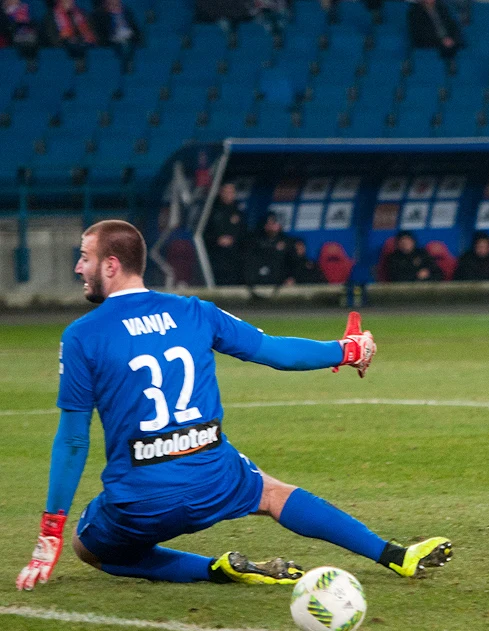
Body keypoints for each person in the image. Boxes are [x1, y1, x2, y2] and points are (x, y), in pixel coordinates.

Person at [16, 220, 452, 591]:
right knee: (271, 492)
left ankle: (213, 570)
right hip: (215, 478)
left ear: (110, 265)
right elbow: (275, 351)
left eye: (84, 257)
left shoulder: (82, 335)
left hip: (142, 500)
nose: (78, 267)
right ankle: (393, 554)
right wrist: (346, 350)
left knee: (86, 546)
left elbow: (74, 440)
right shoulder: (194, 311)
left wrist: (49, 535)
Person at [204, 183, 248, 287]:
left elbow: (244, 235)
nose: (229, 195)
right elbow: (203, 234)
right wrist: (217, 240)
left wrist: (234, 240)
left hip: (234, 259)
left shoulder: (239, 212)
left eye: (231, 192)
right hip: (216, 257)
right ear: (220, 193)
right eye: (226, 192)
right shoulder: (211, 211)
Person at [247, 212, 295, 287]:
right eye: (268, 223)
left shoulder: (288, 242)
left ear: (279, 225)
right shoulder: (255, 241)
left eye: (274, 223)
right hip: (259, 282)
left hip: (281, 283)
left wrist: (291, 277)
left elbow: (292, 263)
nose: (271, 226)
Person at [92, 0, 141, 66]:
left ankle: (129, 62)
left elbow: (134, 27)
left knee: (128, 41)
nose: (115, 2)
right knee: (124, 44)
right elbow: (100, 34)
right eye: (110, 2)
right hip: (113, 39)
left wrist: (137, 37)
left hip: (128, 36)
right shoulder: (99, 15)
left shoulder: (127, 11)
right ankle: (127, 63)